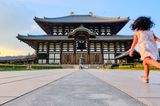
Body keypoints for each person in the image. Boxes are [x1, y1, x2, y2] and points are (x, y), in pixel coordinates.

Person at [129, 16, 160, 83]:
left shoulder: (137, 32)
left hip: (144, 47)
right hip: (152, 47)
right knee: (145, 62)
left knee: (146, 59)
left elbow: (134, 43)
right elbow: (156, 39)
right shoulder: (150, 32)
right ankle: (146, 77)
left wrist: (131, 50)